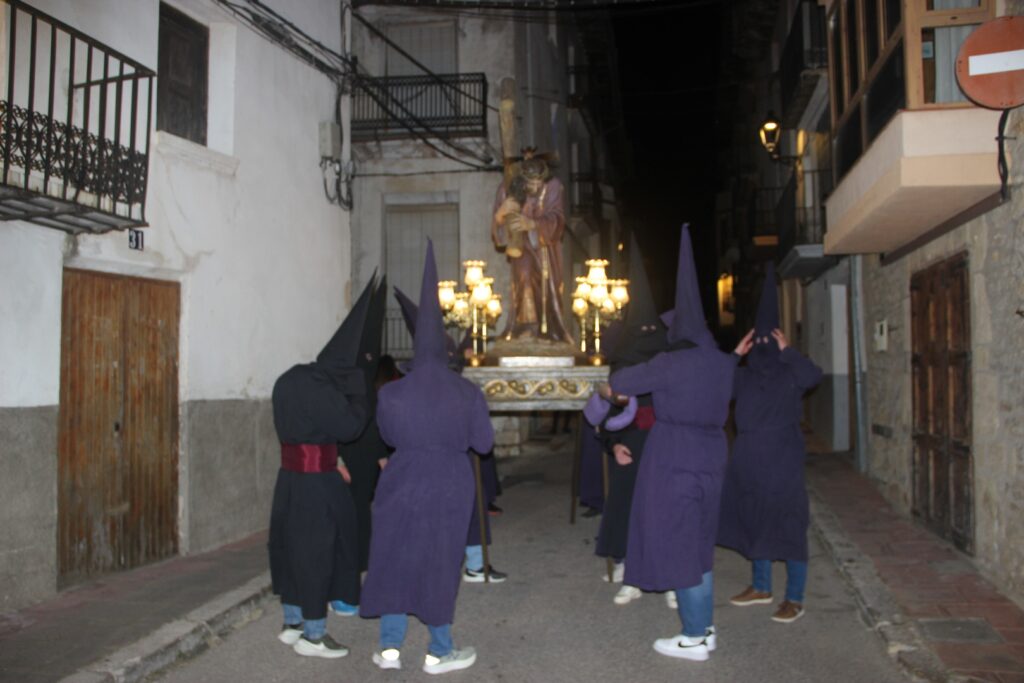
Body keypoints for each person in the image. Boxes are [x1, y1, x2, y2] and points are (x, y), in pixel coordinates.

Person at [360, 241, 495, 674]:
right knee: (439, 558)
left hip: (402, 478)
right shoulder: (467, 392)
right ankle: (439, 651)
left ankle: (390, 648)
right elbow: (484, 444)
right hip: (449, 482)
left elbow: (387, 436)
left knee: (395, 554)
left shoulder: (392, 393)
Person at [607, 225, 738, 662]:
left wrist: (636, 350)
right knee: (700, 544)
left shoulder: (668, 362)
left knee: (681, 546)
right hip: (713, 454)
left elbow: (623, 382)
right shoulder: (722, 363)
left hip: (675, 455)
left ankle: (694, 635)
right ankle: (706, 628)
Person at [268, 277, 374, 658]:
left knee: (290, 547)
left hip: (289, 480)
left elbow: (305, 431)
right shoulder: (322, 388)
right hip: (315, 484)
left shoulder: (289, 378)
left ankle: (293, 622)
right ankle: (314, 635)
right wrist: (359, 395)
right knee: (316, 552)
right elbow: (349, 428)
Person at [718, 262, 822, 624]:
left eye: (768, 340)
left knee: (789, 523)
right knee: (755, 518)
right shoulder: (744, 376)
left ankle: (795, 597)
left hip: (782, 459)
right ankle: (761, 586)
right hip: (748, 456)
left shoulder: (791, 372)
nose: (762, 346)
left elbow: (814, 376)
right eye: (757, 340)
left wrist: (788, 350)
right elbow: (717, 387)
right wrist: (735, 355)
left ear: (778, 339)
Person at [587, 237, 676, 608]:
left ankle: (670, 579)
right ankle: (629, 572)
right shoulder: (621, 370)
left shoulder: (670, 366)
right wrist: (614, 445)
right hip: (630, 448)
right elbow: (605, 420)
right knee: (626, 509)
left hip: (666, 448)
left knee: (664, 513)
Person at [330, 276, 390, 617]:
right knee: (346, 517)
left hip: (366, 456)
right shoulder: (343, 380)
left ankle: (360, 570)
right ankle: (345, 580)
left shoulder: (368, 381)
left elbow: (375, 420)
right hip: (346, 455)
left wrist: (381, 457)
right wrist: (336, 457)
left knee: (361, 513)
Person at [491, 150, 571, 343]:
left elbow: (558, 219)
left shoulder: (553, 186)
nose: (535, 186)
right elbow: (498, 228)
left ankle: (548, 328)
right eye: (530, 183)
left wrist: (533, 224)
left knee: (548, 287)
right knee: (524, 276)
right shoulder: (508, 187)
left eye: (538, 182)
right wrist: (500, 214)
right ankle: (526, 326)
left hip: (546, 248)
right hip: (521, 245)